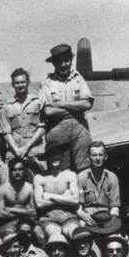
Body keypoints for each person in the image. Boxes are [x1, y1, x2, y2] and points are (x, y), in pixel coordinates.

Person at [38, 43, 94, 172]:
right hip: (57, 128)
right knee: (62, 171)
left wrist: (62, 104)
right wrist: (76, 108)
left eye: (66, 60)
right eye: (59, 61)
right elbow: (48, 111)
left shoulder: (78, 78)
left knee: (85, 168)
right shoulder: (47, 82)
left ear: (71, 60)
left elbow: (87, 104)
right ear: (53, 63)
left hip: (79, 128)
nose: (63, 65)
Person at [0, 67, 45, 173]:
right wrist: (17, 150)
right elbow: (6, 132)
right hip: (15, 154)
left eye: (23, 82)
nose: (20, 85)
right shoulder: (7, 106)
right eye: (17, 83)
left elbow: (42, 127)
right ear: (12, 84)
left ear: (28, 83)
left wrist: (27, 147)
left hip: (35, 151)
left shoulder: (37, 103)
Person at [76, 141, 121, 233]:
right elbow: (78, 207)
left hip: (106, 218)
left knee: (114, 237)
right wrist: (84, 216)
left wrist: (110, 222)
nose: (97, 158)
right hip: (88, 218)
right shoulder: (81, 177)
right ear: (88, 157)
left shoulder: (112, 178)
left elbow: (115, 206)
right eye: (94, 155)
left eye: (100, 155)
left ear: (105, 157)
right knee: (82, 233)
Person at [34, 155, 81, 238]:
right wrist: (65, 197)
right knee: (56, 237)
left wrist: (50, 196)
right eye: (51, 154)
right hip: (49, 219)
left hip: (69, 217)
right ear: (47, 157)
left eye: (57, 153)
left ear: (62, 156)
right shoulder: (40, 177)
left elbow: (76, 200)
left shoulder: (70, 175)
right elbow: (39, 204)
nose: (55, 157)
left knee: (77, 235)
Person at [0, 157, 36, 238]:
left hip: (27, 223)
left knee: (39, 234)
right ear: (10, 171)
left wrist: (11, 209)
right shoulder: (2, 189)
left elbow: (34, 213)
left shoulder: (30, 188)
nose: (17, 172)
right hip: (8, 224)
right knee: (11, 238)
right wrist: (25, 212)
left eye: (20, 169)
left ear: (24, 170)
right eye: (14, 170)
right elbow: (1, 214)